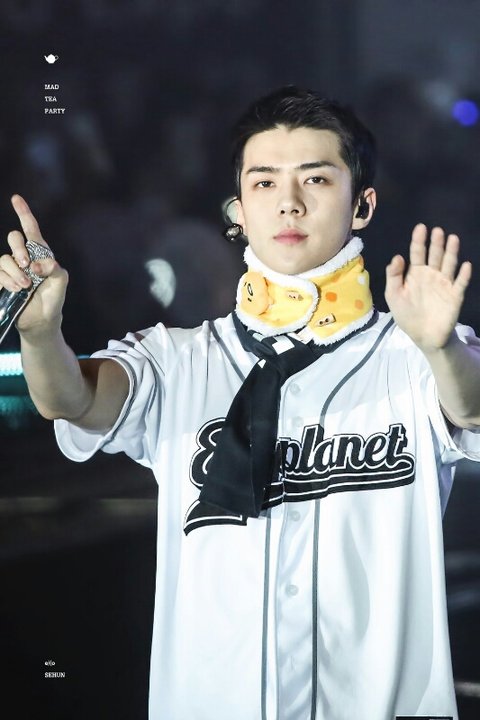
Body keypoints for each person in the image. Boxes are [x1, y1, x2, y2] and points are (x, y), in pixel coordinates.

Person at [1, 86, 480, 720]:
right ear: (238, 210)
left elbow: (471, 411)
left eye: (316, 178)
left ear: (362, 204)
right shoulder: (176, 360)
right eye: (264, 182)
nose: (289, 201)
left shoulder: (417, 353)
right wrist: (41, 336)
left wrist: (441, 347)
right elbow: (71, 399)